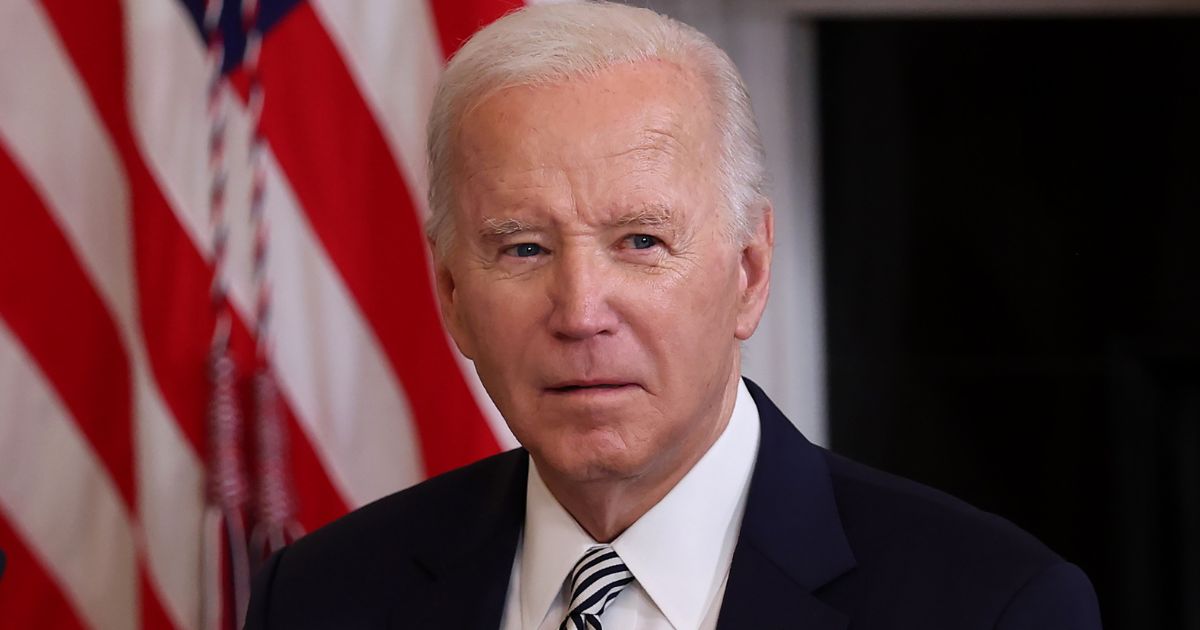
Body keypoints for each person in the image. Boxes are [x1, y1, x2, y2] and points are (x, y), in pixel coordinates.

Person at [244, 3, 1102, 628]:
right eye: (524, 249)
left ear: (749, 273)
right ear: (452, 298)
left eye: (642, 241)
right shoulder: (321, 598)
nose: (580, 314)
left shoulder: (991, 606)